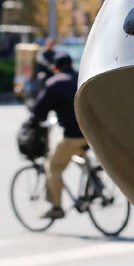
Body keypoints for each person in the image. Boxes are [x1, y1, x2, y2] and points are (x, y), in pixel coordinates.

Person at [30, 52, 87, 220]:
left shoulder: (55, 83)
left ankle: (56, 207)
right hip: (92, 134)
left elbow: (39, 110)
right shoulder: (81, 78)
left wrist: (33, 122)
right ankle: (95, 185)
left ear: (55, 68)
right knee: (81, 157)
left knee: (53, 167)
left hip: (72, 136)